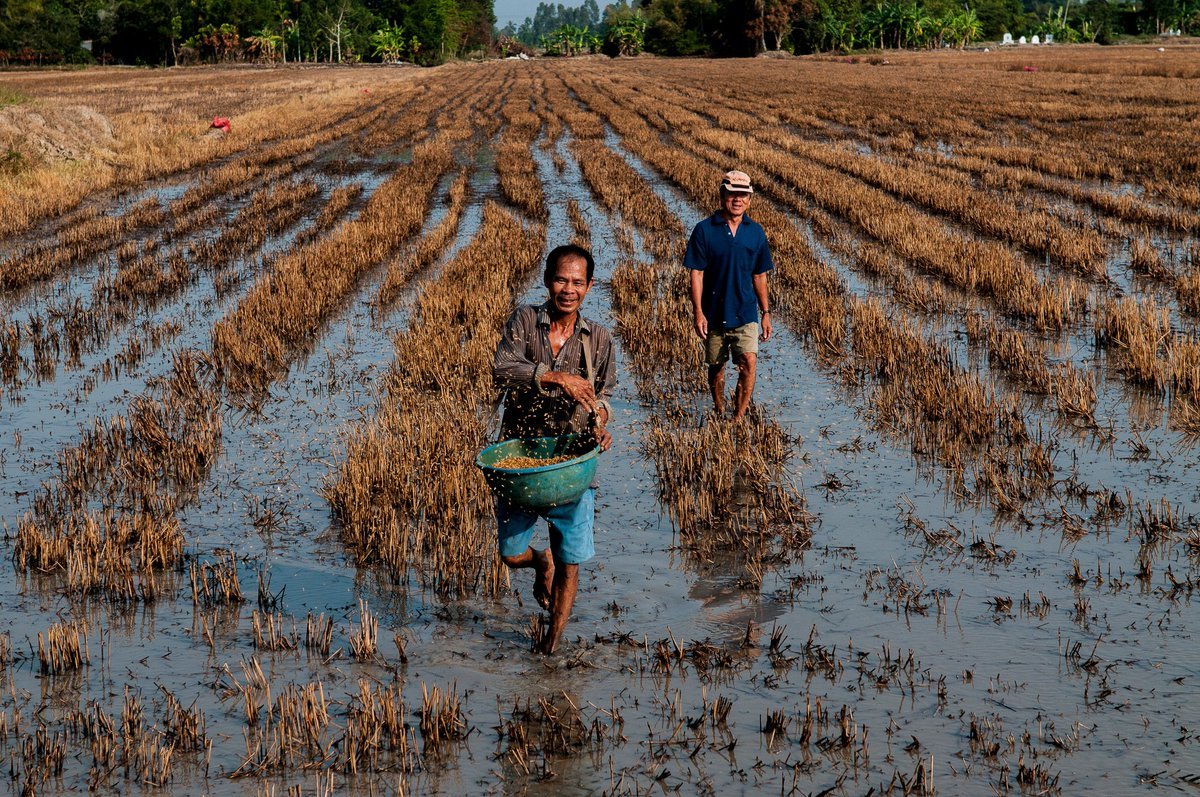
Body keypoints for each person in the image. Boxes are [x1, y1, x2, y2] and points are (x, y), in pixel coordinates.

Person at [491, 244, 616, 654]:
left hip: (572, 461)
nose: (569, 289)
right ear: (547, 281)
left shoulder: (599, 338)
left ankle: (550, 646)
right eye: (562, 279)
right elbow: (502, 368)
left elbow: (604, 398)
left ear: (590, 286)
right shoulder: (526, 320)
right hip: (522, 455)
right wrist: (556, 376)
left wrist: (600, 423)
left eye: (578, 282)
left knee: (571, 561)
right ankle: (538, 561)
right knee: (510, 554)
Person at [685, 170, 774, 421]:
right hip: (714, 312)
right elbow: (697, 274)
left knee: (748, 362)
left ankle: (738, 417)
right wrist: (698, 312)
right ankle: (719, 408)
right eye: (732, 194)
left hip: (745, 311)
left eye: (743, 195)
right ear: (722, 194)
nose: (738, 199)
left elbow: (759, 276)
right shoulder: (704, 230)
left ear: (749, 199)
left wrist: (766, 313)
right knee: (717, 367)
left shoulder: (755, 232)